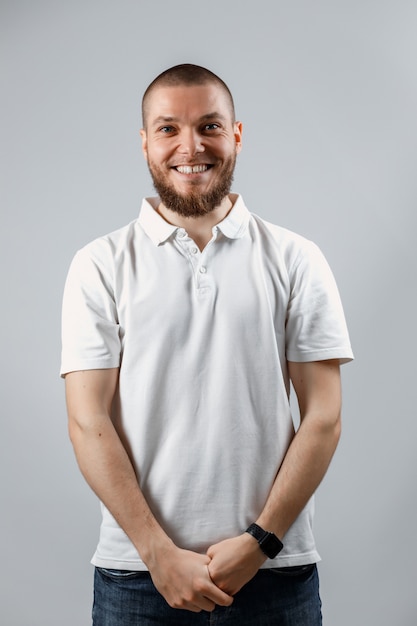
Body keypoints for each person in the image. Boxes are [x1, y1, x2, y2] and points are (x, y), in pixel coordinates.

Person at [61, 63, 353, 625]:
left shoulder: (296, 258)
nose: (190, 146)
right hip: (137, 577)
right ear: (144, 142)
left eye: (209, 127)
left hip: (275, 574)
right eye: (168, 128)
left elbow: (324, 417)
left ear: (236, 134)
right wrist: (157, 553)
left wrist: (260, 542)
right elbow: (86, 420)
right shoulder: (99, 265)